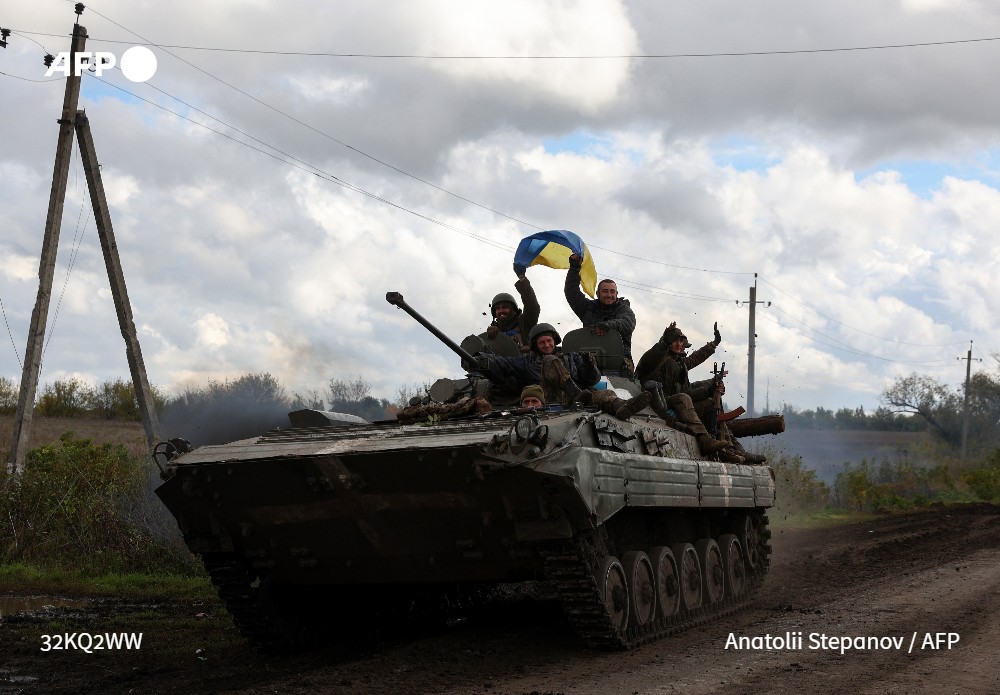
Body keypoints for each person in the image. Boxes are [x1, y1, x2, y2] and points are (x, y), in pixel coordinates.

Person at [635, 321, 734, 457]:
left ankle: (729, 448)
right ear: (668, 342)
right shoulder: (658, 360)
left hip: (673, 402)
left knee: (711, 403)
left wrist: (713, 345)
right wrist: (664, 341)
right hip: (657, 404)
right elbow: (683, 394)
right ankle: (704, 440)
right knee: (684, 397)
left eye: (681, 342)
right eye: (675, 341)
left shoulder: (679, 362)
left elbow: (695, 359)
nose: (679, 345)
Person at [474, 323, 600, 405]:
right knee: (549, 359)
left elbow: (591, 380)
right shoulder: (527, 363)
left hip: (577, 401)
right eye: (542, 343)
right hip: (546, 401)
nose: (546, 345)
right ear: (535, 346)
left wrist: (589, 366)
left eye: (549, 341)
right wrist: (480, 359)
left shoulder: (572, 358)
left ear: (554, 341)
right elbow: (503, 363)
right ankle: (574, 392)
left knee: (606, 395)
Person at [564, 254, 636, 363]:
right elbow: (571, 292)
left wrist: (608, 326)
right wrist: (574, 268)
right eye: (605, 291)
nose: (609, 295)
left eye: (612, 291)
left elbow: (627, 323)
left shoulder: (624, 309)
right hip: (588, 362)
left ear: (617, 294)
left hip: (618, 363)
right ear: (598, 293)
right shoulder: (587, 308)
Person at [518, 378, 652, 421]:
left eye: (534, 401)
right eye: (526, 402)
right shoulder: (511, 417)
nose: (530, 405)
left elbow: (593, 377)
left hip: (576, 401)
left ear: (542, 403)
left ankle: (622, 405)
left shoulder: (551, 414)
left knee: (607, 393)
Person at [485, 264, 540, 352]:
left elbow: (532, 306)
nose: (501, 311)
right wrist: (495, 335)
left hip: (526, 363)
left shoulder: (525, 322)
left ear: (514, 309)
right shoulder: (493, 332)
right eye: (498, 308)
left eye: (505, 307)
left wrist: (522, 279)